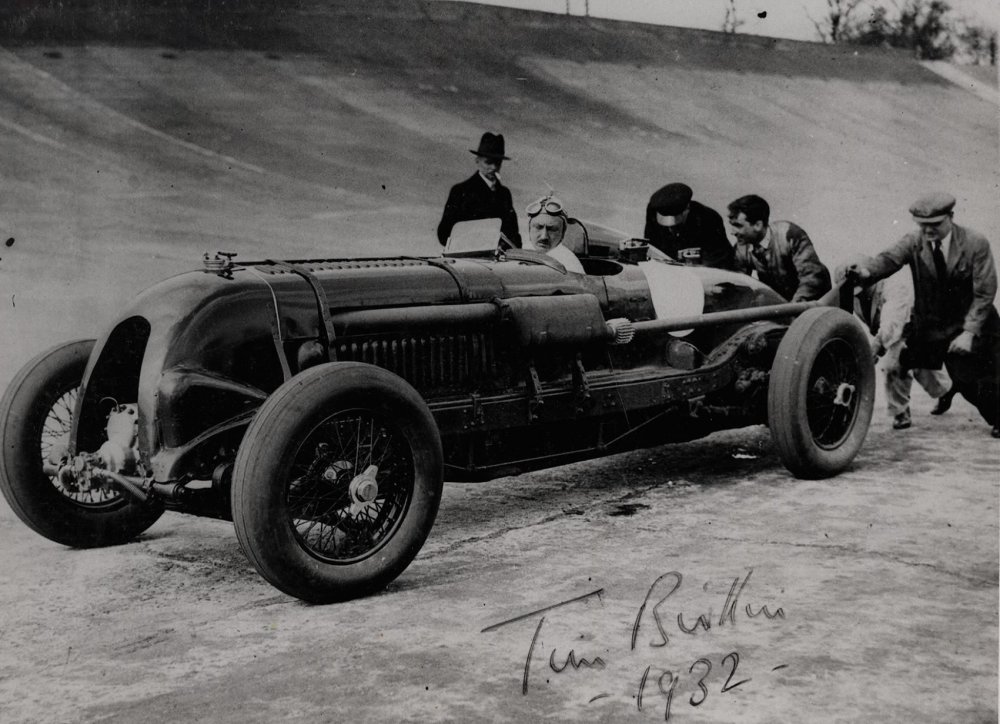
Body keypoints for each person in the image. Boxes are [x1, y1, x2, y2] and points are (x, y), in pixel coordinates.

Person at [843, 191, 999, 438]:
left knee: (977, 380)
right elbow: (888, 259)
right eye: (922, 226)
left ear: (951, 217)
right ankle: (943, 391)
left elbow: (985, 290)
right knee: (902, 360)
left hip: (975, 322)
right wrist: (866, 272)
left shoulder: (974, 243)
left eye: (934, 225)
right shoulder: (914, 242)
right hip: (936, 325)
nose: (928, 232)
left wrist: (969, 332)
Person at [855, 269, 953, 430]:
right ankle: (945, 390)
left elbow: (892, 322)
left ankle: (900, 411)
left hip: (910, 326)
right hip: (891, 331)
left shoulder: (894, 286)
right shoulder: (852, 294)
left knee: (894, 366)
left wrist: (876, 347)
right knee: (919, 365)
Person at [728, 194, 832, 302]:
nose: (732, 232)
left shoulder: (789, 235)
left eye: (738, 226)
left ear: (758, 225)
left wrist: (792, 310)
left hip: (816, 299)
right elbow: (739, 284)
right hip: (783, 302)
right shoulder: (742, 247)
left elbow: (812, 277)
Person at [437, 132, 521, 248]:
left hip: (501, 262)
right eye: (488, 162)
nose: (494, 167)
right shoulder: (460, 191)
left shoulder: (504, 194)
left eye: (497, 162)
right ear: (477, 161)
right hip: (470, 260)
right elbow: (444, 234)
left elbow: (514, 235)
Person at [642, 183, 734, 269]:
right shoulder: (654, 210)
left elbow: (717, 261)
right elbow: (653, 250)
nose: (671, 228)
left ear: (687, 208)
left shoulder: (709, 219)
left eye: (676, 225)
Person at [523, 194, 584, 274]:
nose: (544, 236)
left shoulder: (570, 264)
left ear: (562, 234)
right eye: (538, 227)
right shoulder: (519, 251)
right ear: (529, 229)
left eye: (552, 229)